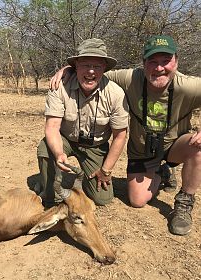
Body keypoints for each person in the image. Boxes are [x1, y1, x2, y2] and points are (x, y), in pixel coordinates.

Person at [50, 34, 201, 236]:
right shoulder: (130, 78)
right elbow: (94, 73)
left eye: (166, 61)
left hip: (175, 146)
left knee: (198, 147)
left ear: (176, 61)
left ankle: (184, 202)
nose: (159, 68)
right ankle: (163, 172)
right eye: (153, 62)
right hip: (142, 151)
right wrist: (69, 69)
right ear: (143, 63)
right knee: (137, 201)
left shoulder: (190, 86)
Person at [37, 38, 129, 208]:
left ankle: (88, 180)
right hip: (66, 140)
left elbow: (120, 136)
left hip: (96, 146)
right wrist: (58, 153)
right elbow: (51, 128)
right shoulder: (59, 87)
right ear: (76, 67)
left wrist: (106, 170)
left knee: (103, 199)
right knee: (45, 149)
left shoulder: (115, 93)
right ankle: (51, 195)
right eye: (85, 65)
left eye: (97, 66)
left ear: (104, 69)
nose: (91, 71)